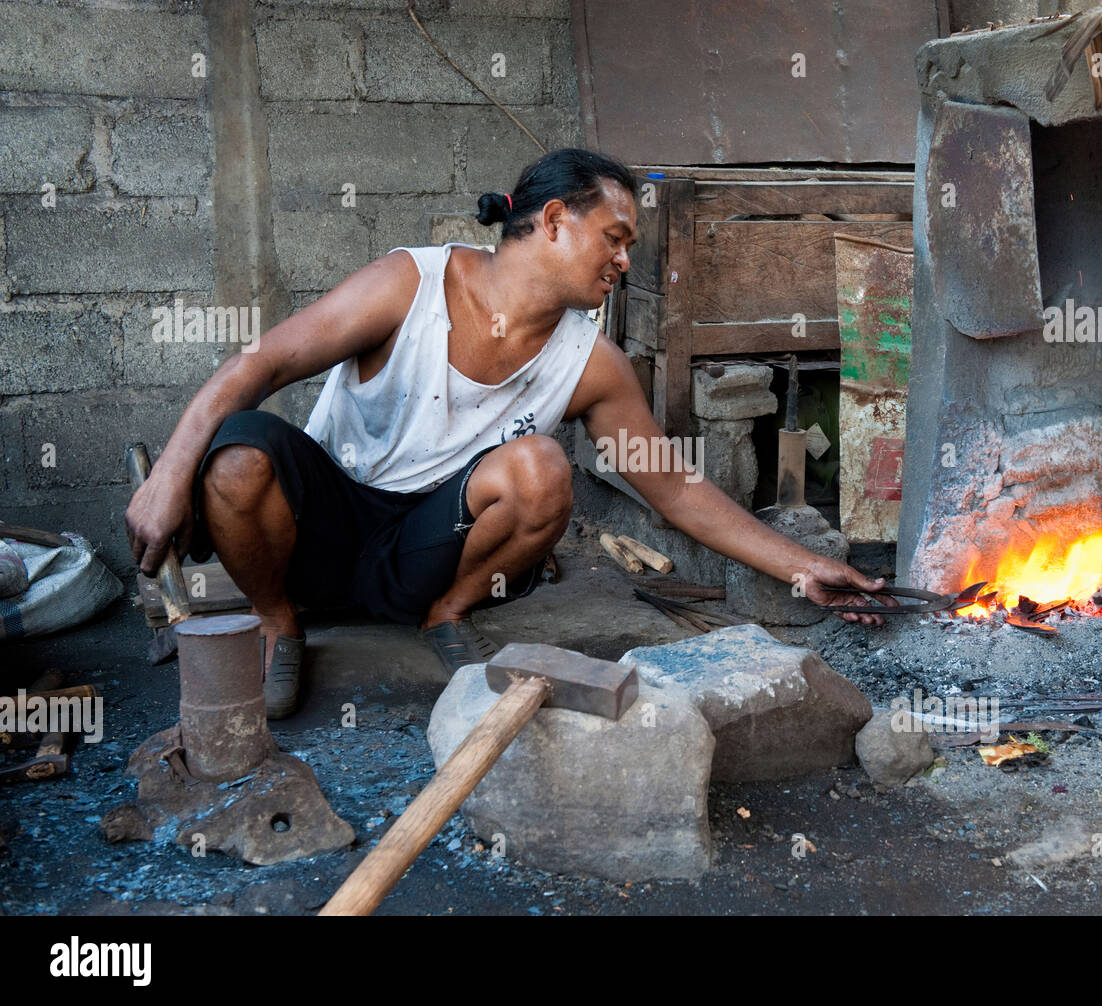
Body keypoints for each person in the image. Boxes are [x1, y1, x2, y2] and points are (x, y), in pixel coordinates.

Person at [125, 148, 891, 719]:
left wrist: (804, 566)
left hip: (432, 547)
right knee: (239, 452)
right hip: (329, 529)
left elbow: (678, 491)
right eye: (615, 238)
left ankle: (446, 612)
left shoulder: (593, 364)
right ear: (554, 221)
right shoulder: (411, 285)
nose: (626, 261)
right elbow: (260, 362)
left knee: (541, 468)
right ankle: (279, 623)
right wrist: (169, 476)